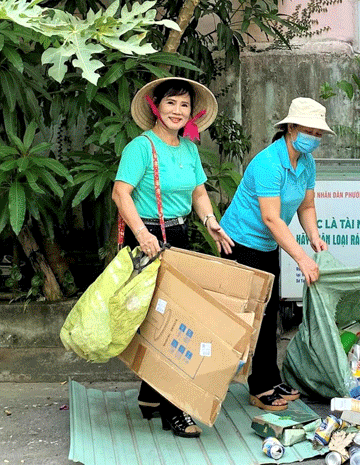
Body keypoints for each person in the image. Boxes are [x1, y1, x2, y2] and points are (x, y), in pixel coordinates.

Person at [112, 77, 234, 438]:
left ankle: (151, 395)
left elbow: (198, 192)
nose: (177, 111)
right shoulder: (140, 147)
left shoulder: (189, 150)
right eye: (171, 103)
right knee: (167, 325)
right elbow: (121, 194)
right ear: (155, 107)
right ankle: (174, 412)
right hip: (146, 240)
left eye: (184, 105)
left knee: (168, 321)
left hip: (178, 237)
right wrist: (143, 235)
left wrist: (210, 221)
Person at [216, 97, 332, 411]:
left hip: (267, 246)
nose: (314, 137)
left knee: (269, 316)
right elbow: (271, 217)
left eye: (318, 133)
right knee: (247, 317)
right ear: (290, 127)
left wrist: (315, 238)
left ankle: (268, 378)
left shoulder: (306, 163)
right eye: (309, 130)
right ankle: (250, 384)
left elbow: (306, 206)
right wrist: (301, 258)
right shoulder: (268, 163)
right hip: (240, 244)